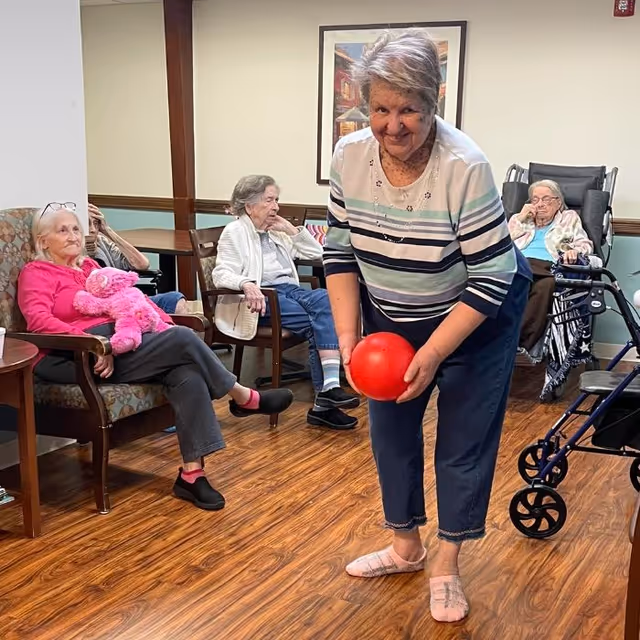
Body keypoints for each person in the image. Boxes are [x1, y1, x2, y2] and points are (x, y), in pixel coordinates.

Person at [322, 30, 531, 622]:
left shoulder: (464, 165)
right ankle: (405, 546)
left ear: (434, 101)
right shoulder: (347, 157)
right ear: (365, 105)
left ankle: (447, 563)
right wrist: (348, 339)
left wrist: (436, 351)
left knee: (463, 440)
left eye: (408, 108)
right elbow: (338, 254)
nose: (393, 125)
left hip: (475, 311)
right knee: (389, 428)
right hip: (390, 305)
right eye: (381, 108)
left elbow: (490, 276)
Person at [18, 202, 294, 510]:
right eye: (62, 230)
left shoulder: (91, 269)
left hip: (119, 345)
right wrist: (95, 343)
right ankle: (242, 397)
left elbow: (132, 300)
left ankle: (192, 475)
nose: (73, 235)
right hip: (72, 358)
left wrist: (161, 321)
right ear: (43, 241)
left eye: (75, 229)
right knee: (182, 339)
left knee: (185, 373)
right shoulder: (37, 272)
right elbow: (38, 321)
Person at [211, 175, 359, 430]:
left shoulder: (276, 232)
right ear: (249, 205)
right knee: (321, 323)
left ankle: (328, 393)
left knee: (327, 299)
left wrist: (291, 231)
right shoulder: (235, 232)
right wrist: (247, 284)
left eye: (276, 200)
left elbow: (320, 255)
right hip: (263, 298)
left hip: (290, 291)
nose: (276, 207)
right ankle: (326, 401)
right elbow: (220, 274)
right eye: (269, 200)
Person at [508, 180, 594, 352]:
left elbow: (586, 244)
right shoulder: (520, 219)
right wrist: (520, 218)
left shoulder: (568, 218)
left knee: (547, 284)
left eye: (546, 199)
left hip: (548, 268)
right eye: (535, 200)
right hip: (517, 264)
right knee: (533, 279)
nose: (540, 204)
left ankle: (518, 344)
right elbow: (500, 243)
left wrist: (574, 251)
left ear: (558, 202)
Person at [86, 203, 188, 315]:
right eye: (87, 224)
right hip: (102, 307)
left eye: (96, 224)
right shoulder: (70, 250)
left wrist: (107, 230)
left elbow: (142, 264)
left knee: (175, 300)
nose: (92, 229)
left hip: (126, 300)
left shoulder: (102, 243)